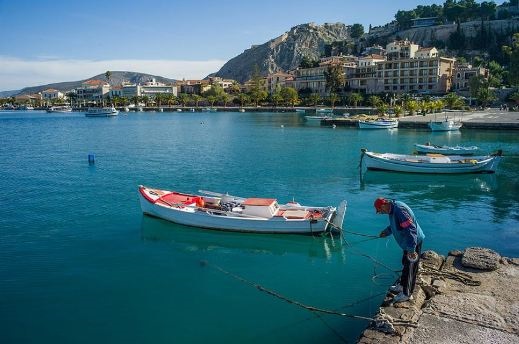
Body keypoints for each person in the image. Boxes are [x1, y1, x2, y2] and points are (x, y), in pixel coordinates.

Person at [374, 197, 425, 303]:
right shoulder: (392, 209)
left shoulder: (399, 210)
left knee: (411, 268)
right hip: (407, 243)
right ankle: (402, 286)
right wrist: (386, 232)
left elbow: (411, 229)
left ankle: (407, 293)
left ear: (383, 205)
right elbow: (396, 225)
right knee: (405, 264)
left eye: (380, 210)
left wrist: (411, 249)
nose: (380, 213)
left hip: (413, 243)